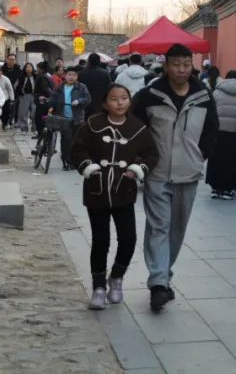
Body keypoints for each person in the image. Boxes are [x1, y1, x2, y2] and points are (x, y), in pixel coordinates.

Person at [132, 43, 219, 312]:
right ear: (166, 66)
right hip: (157, 173)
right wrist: (143, 160)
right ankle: (158, 284)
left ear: (192, 66)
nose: (181, 70)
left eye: (186, 64)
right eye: (176, 64)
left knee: (176, 230)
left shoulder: (203, 95)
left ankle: (163, 276)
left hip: (188, 173)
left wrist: (200, 156)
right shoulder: (149, 96)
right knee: (158, 226)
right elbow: (136, 129)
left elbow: (212, 130)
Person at [70, 83, 160, 310]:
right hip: (97, 191)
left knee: (128, 239)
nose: (120, 103)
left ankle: (117, 277)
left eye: (124, 98)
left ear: (129, 101)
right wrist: (89, 167)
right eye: (114, 99)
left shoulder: (137, 128)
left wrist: (136, 169)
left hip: (123, 191)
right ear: (104, 103)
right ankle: (99, 288)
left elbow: (151, 154)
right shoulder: (93, 125)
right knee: (100, 241)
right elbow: (77, 149)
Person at [208, 69, 236, 199]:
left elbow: (211, 110)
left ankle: (215, 189)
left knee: (216, 159)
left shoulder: (216, 92)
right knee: (231, 160)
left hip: (218, 130)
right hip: (235, 131)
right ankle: (228, 189)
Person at [49, 67, 92, 170]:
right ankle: (66, 160)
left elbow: (88, 99)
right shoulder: (59, 87)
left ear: (77, 77)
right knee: (66, 140)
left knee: (76, 140)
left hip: (77, 117)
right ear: (65, 76)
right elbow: (53, 99)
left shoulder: (81, 87)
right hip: (63, 117)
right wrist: (49, 106)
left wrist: (79, 101)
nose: (71, 77)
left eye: (74, 75)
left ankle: (75, 160)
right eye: (69, 75)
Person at [33, 60, 54, 143]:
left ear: (41, 69)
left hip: (43, 102)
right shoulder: (48, 76)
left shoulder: (42, 78)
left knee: (39, 118)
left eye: (38, 68)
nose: (37, 70)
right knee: (45, 117)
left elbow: (45, 89)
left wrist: (41, 97)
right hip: (49, 102)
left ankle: (41, 133)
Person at [15, 62, 37, 133]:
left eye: (30, 67)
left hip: (34, 96)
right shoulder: (21, 77)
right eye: (27, 67)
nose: (28, 69)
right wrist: (20, 93)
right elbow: (16, 86)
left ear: (32, 68)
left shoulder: (36, 76)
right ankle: (24, 128)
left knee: (34, 112)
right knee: (23, 113)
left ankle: (34, 128)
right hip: (24, 96)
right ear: (25, 68)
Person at [1, 54, 21, 128]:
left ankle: (12, 122)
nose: (11, 61)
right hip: (4, 91)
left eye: (13, 59)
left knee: (13, 108)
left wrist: (14, 87)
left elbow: (19, 80)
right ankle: (5, 122)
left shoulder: (18, 70)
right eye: (10, 59)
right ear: (7, 60)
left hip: (14, 91)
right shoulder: (2, 69)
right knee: (5, 108)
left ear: (15, 61)